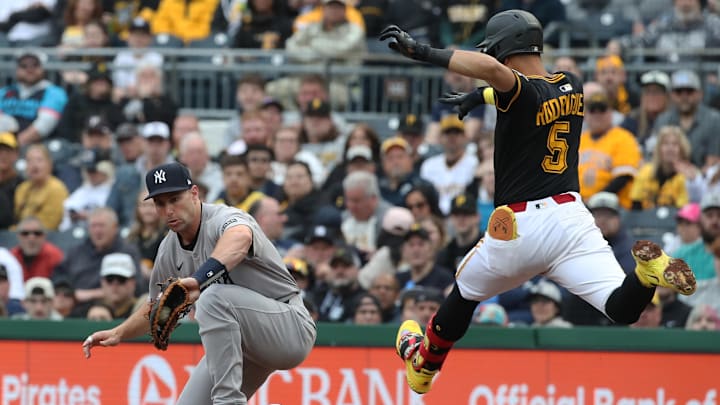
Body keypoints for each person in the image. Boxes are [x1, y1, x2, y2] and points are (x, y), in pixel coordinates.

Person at [379, 10, 697, 395]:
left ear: (504, 50)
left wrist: (423, 51)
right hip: (572, 220)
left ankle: (424, 365)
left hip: (521, 226)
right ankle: (647, 274)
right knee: (622, 308)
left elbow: (498, 76)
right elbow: (511, 88)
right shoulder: (573, 85)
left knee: (463, 294)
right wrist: (481, 96)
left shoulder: (517, 87)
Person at [82, 162, 316, 404]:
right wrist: (118, 332)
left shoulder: (223, 217)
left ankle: (228, 402)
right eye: (160, 203)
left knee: (213, 297)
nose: (168, 210)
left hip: (289, 326)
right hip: (241, 345)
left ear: (194, 193)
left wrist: (198, 280)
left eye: (174, 199)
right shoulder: (168, 249)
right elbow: (157, 307)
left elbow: (240, 238)